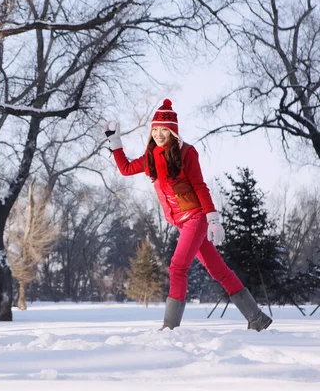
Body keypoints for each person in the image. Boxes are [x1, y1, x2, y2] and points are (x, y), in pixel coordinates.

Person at [104, 99, 272, 331]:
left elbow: (200, 186)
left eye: (165, 130)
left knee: (177, 267)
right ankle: (257, 318)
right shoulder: (151, 157)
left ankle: (170, 327)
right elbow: (126, 169)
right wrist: (115, 142)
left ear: (173, 132)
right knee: (218, 270)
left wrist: (213, 219)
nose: (160, 134)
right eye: (156, 130)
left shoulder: (186, 153)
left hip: (196, 217)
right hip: (181, 223)